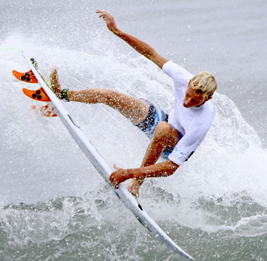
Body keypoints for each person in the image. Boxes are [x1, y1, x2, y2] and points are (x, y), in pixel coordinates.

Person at [48, 9, 216, 197]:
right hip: (166, 122)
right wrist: (117, 31)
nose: (187, 102)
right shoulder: (184, 78)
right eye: (187, 95)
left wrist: (130, 173)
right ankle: (61, 94)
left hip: (173, 146)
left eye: (194, 100)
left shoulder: (200, 124)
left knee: (162, 129)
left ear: (207, 98)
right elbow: (151, 53)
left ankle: (137, 184)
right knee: (110, 96)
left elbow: (171, 168)